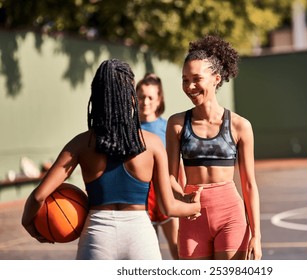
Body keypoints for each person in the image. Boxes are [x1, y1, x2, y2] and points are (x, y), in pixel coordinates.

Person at [21, 58, 201, 260]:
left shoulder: (80, 144)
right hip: (140, 236)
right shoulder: (152, 144)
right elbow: (169, 207)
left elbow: (38, 197)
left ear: (97, 96)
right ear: (131, 97)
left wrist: (29, 224)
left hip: (97, 235)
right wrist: (195, 207)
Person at [166, 35, 262, 260]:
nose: (189, 86)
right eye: (184, 80)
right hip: (191, 215)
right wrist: (183, 197)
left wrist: (256, 235)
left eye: (196, 79)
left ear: (216, 79)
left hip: (231, 216)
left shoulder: (240, 126)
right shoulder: (177, 124)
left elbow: (249, 184)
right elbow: (170, 176)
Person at [136, 73, 180, 260]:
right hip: (140, 197)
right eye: (141, 96)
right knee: (149, 255)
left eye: (150, 97)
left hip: (165, 193)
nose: (145, 102)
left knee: (178, 249)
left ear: (159, 99)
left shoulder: (167, 127)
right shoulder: (128, 128)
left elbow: (178, 166)